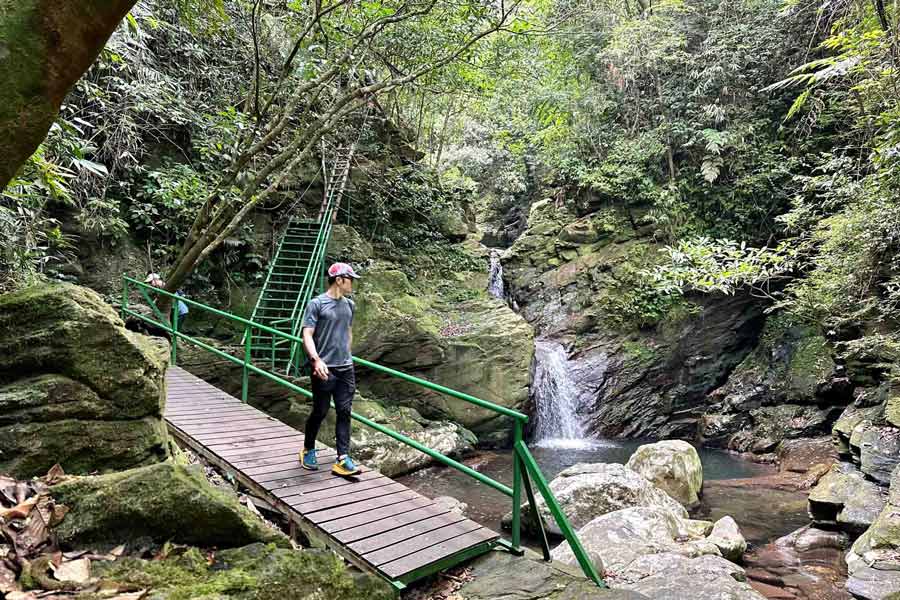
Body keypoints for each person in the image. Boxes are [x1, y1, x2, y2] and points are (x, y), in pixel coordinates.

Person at [299, 262, 362, 476]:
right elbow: (307, 334)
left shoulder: (350, 305)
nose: (352, 283)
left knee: (345, 411)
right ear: (339, 280)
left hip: (346, 368)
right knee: (321, 410)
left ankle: (343, 458)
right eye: (350, 279)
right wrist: (316, 360)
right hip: (324, 368)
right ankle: (308, 448)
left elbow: (348, 331)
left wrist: (348, 356)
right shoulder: (317, 304)